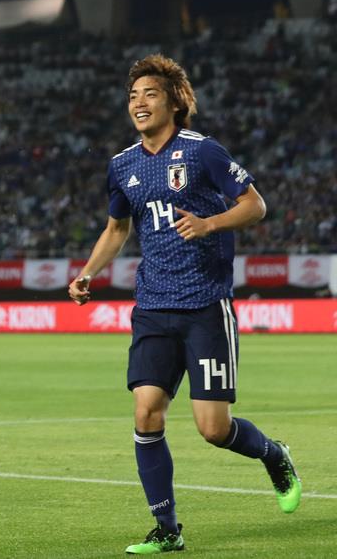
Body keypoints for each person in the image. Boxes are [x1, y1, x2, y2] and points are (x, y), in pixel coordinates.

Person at [68, 54, 301, 554]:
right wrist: (87, 273)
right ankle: (167, 529)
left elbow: (255, 205)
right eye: (133, 96)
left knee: (213, 429)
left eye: (149, 93)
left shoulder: (202, 152)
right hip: (153, 305)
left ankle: (273, 453)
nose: (139, 103)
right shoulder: (122, 165)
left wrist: (210, 223)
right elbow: (117, 229)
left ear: (174, 101)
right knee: (146, 412)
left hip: (204, 305)